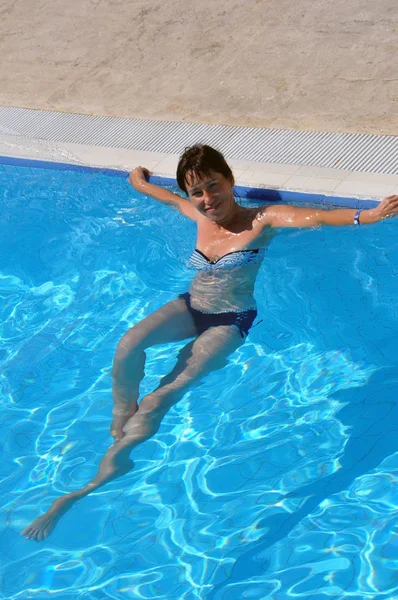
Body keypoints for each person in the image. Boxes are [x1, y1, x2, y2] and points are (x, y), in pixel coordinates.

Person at [21, 144, 398, 541]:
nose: (206, 199)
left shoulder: (261, 220)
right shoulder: (197, 215)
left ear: (230, 181)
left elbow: (316, 216)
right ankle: (120, 414)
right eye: (196, 192)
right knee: (128, 344)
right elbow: (166, 198)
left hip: (228, 320)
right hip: (190, 306)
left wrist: (367, 216)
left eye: (213, 187)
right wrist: (139, 182)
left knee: (158, 398)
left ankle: (95, 481)